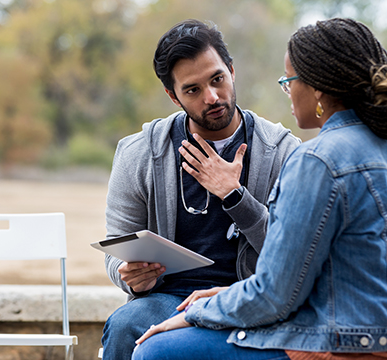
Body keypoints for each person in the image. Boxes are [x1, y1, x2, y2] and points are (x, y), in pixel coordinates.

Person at [133, 18, 387, 360]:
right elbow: (342, 274)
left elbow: (275, 297)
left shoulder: (316, 160)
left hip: (346, 346)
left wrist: (196, 313)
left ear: (318, 89)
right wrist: (222, 297)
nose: (289, 92)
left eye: (289, 81)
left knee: (156, 351)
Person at [101, 19, 301, 359]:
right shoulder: (138, 153)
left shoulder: (282, 151)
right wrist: (131, 277)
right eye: (192, 90)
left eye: (217, 79)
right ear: (172, 95)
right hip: (169, 299)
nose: (212, 97)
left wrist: (235, 196)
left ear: (232, 70)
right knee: (125, 326)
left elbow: (293, 255)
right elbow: (116, 249)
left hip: (249, 297)